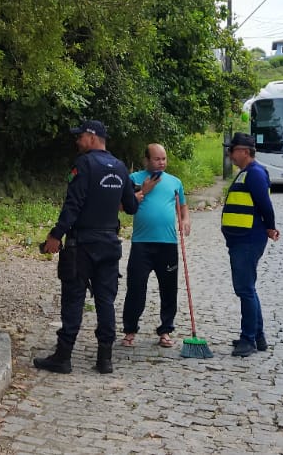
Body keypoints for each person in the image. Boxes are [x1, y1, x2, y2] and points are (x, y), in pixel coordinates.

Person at [33, 119, 139, 374]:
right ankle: (105, 358)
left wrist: (56, 235)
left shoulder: (84, 164)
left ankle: (63, 356)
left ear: (92, 137)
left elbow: (73, 204)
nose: (77, 141)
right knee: (105, 300)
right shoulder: (121, 167)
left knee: (73, 299)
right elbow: (132, 207)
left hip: (82, 245)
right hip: (110, 244)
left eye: (80, 136)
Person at [120, 143, 189, 349]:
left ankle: (166, 330)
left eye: (164, 159)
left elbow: (183, 206)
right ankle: (130, 330)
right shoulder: (134, 179)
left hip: (167, 244)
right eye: (157, 159)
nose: (161, 163)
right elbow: (124, 206)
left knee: (169, 289)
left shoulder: (175, 182)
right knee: (135, 288)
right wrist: (144, 191)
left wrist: (185, 219)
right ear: (147, 160)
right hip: (141, 243)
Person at [221, 133, 278, 357]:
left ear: (244, 151)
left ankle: (248, 339)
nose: (230, 154)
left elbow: (265, 204)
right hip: (240, 239)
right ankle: (258, 335)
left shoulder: (254, 174)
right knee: (248, 288)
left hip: (247, 240)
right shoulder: (246, 173)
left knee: (245, 289)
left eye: (232, 150)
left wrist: (270, 227)